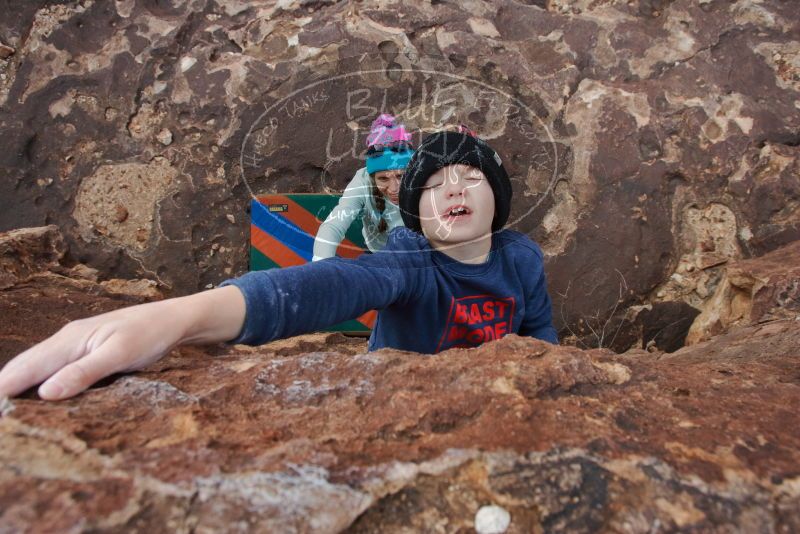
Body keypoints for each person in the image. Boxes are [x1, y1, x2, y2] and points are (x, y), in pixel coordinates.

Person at [0, 129, 557, 401]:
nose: (453, 190)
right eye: (432, 186)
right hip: (400, 397)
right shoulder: (409, 261)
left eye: (470, 178)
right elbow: (333, 285)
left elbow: (539, 332)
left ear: (498, 196)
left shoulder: (521, 257)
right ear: (414, 212)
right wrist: (180, 317)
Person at [312, 114, 414, 260]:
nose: (394, 188)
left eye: (400, 176)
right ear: (372, 177)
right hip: (379, 252)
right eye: (383, 178)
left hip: (419, 251)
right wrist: (320, 265)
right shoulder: (362, 181)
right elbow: (333, 226)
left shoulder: (423, 177)